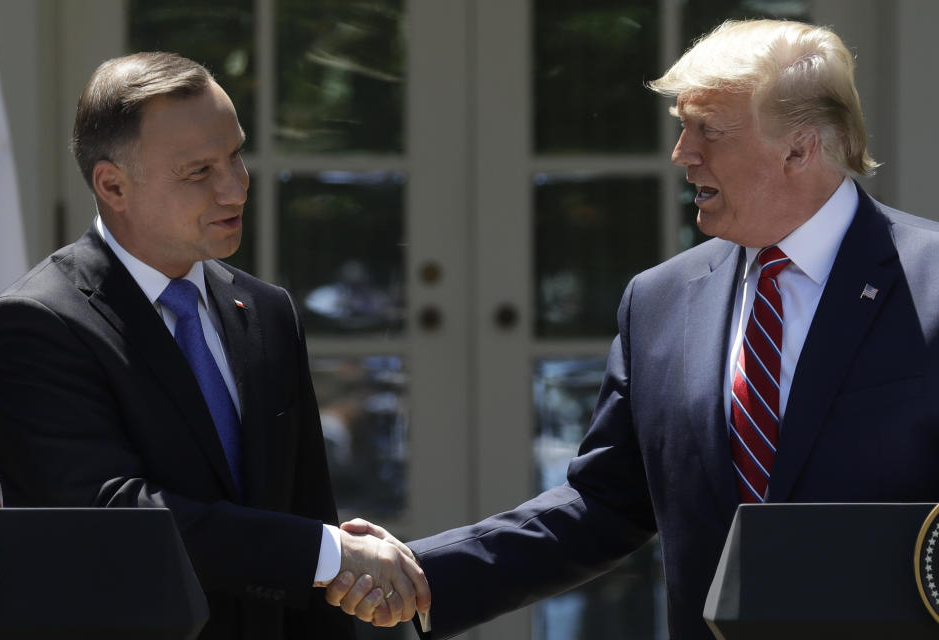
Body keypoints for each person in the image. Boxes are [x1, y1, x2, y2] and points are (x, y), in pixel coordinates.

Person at [325, 18, 939, 639]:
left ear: (800, 149)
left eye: (710, 131)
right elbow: (607, 503)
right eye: (682, 127)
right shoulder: (660, 301)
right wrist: (426, 572)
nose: (682, 153)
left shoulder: (931, 280)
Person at [0, 52, 429, 639]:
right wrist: (327, 554)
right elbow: (116, 517)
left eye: (236, 154)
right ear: (112, 184)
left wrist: (330, 553)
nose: (236, 187)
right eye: (198, 172)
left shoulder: (267, 311)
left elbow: (304, 509)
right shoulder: (35, 324)